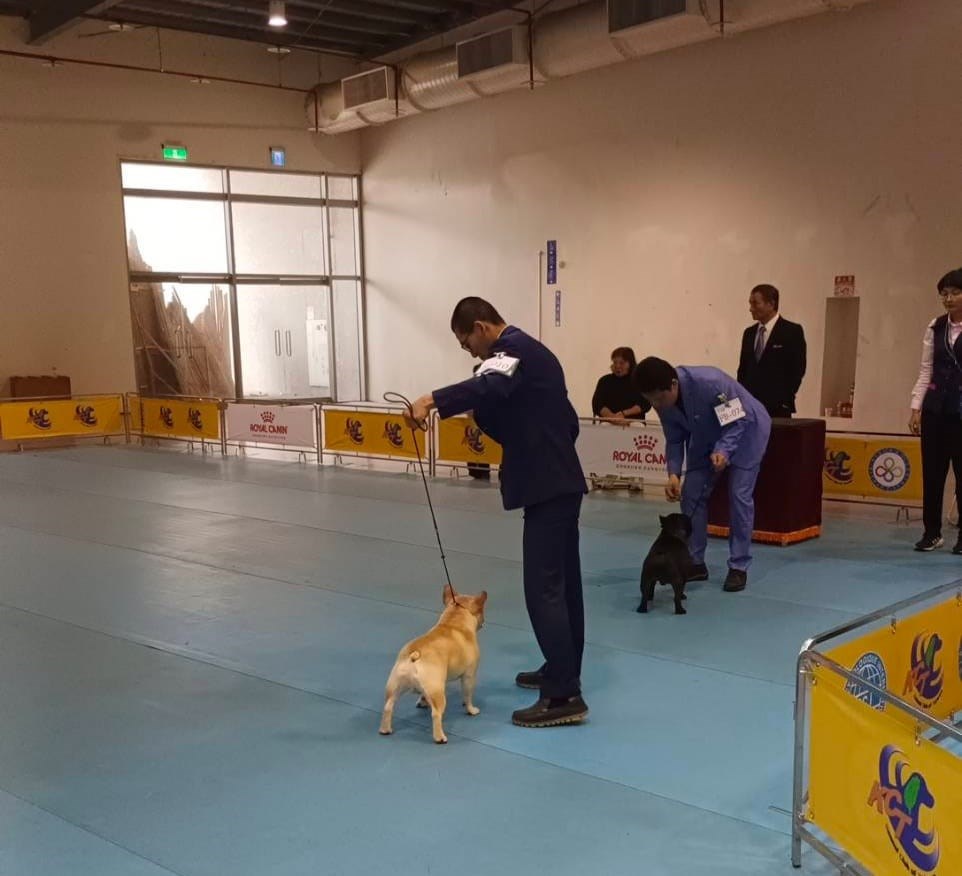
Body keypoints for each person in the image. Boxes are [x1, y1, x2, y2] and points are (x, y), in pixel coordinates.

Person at [405, 297, 589, 728]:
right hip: (560, 482)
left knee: (543, 590)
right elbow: (565, 422)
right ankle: (561, 669)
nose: (467, 350)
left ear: (482, 327)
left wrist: (430, 400)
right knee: (564, 587)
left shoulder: (513, 351)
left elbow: (488, 387)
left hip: (548, 487)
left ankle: (564, 695)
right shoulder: (533, 357)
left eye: (465, 341)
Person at [633, 357, 772, 592]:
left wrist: (723, 450)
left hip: (748, 430)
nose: (657, 404)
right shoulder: (661, 400)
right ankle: (695, 562)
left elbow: (736, 422)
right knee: (691, 493)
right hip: (706, 435)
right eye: (651, 400)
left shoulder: (711, 383)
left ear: (673, 384)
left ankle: (739, 565)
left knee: (738, 495)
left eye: (659, 398)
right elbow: (674, 439)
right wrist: (674, 474)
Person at [908, 267, 962, 553]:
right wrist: (916, 407)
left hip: (960, 411)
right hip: (935, 409)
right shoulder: (935, 326)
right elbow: (926, 369)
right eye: (944, 294)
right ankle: (931, 532)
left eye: (955, 293)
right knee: (932, 473)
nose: (948, 299)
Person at [736, 284, 807, 418]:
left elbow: (798, 369)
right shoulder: (749, 333)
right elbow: (743, 369)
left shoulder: (791, 331)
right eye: (750, 303)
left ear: (771, 304)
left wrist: (785, 399)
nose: (751, 308)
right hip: (751, 408)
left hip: (778, 409)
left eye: (755, 303)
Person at [591, 346, 651, 424]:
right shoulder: (605, 381)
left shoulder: (639, 381)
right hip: (608, 422)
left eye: (621, 363)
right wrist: (612, 417)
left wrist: (623, 414)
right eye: (615, 362)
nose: (617, 366)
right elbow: (597, 404)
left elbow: (645, 404)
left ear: (630, 364)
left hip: (634, 422)